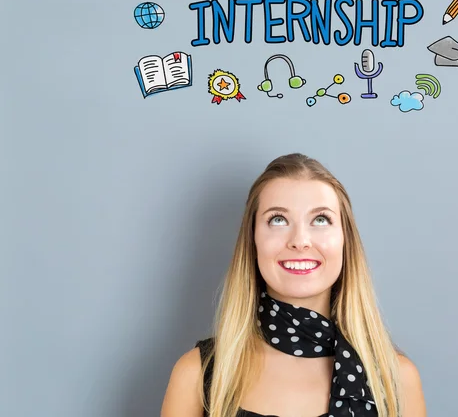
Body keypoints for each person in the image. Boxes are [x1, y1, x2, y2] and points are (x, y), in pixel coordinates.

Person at [161, 153, 427, 417]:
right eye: (278, 220)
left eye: (320, 220)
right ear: (253, 241)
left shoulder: (397, 381)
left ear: (346, 242)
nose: (300, 241)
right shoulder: (197, 375)